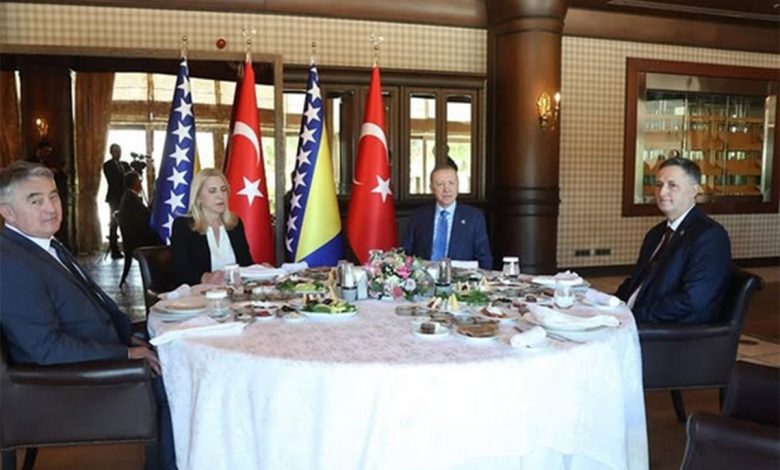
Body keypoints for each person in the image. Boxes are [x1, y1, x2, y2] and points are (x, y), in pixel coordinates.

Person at [0, 161, 176, 469]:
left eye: (53, 196)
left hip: (98, 352)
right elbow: (46, 349)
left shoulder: (42, 245)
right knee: (179, 381)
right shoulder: (11, 263)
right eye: (35, 201)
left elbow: (91, 308)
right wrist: (125, 353)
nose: (50, 208)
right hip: (65, 386)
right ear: (7, 212)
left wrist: (132, 337)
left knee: (181, 349)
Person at [616, 157, 732, 324]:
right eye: (659, 185)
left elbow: (692, 300)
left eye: (672, 185)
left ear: (694, 190)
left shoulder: (709, 236)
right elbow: (637, 280)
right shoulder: (656, 233)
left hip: (673, 330)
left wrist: (635, 316)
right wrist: (609, 305)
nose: (662, 192)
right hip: (634, 317)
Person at [170, 168, 253, 286]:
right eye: (212, 191)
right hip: (200, 293)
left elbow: (246, 264)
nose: (220, 196)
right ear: (198, 198)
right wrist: (205, 278)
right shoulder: (183, 226)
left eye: (223, 190)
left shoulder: (235, 224)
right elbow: (181, 270)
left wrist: (260, 270)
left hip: (235, 292)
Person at [403, 163, 492, 269]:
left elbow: (484, 259)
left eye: (451, 183)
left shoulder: (474, 217)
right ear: (432, 188)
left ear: (458, 186)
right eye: (440, 184)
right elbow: (406, 254)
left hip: (460, 277)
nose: (446, 189)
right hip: (425, 277)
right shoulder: (418, 216)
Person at [117, 171, 162, 287]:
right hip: (137, 241)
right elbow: (145, 219)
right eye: (139, 181)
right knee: (163, 241)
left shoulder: (130, 197)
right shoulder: (131, 200)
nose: (141, 183)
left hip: (134, 238)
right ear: (134, 183)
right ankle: (160, 279)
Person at [103, 143, 131, 259]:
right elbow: (114, 180)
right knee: (114, 223)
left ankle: (128, 248)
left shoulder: (124, 164)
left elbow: (131, 178)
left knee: (126, 223)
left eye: (119, 150)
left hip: (124, 198)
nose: (118, 153)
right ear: (111, 152)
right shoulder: (107, 165)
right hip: (114, 198)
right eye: (115, 151)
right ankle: (114, 250)